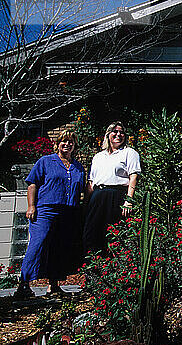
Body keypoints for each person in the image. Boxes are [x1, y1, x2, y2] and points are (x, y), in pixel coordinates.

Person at [13, 130, 86, 299]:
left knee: (59, 246)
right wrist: (31, 206)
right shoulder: (45, 161)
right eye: (64, 141)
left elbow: (81, 189)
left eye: (71, 142)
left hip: (68, 212)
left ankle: (53, 285)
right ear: (57, 144)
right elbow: (32, 184)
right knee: (38, 243)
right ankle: (24, 284)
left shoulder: (77, 166)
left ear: (74, 146)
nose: (67, 145)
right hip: (45, 210)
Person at [83, 121, 141, 254]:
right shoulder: (98, 156)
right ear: (108, 134)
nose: (118, 134)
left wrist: (128, 201)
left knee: (113, 233)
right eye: (115, 131)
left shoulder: (129, 153)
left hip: (117, 196)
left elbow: (133, 177)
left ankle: (113, 266)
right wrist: (86, 204)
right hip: (97, 196)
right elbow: (91, 183)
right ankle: (93, 268)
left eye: (121, 132)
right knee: (91, 233)